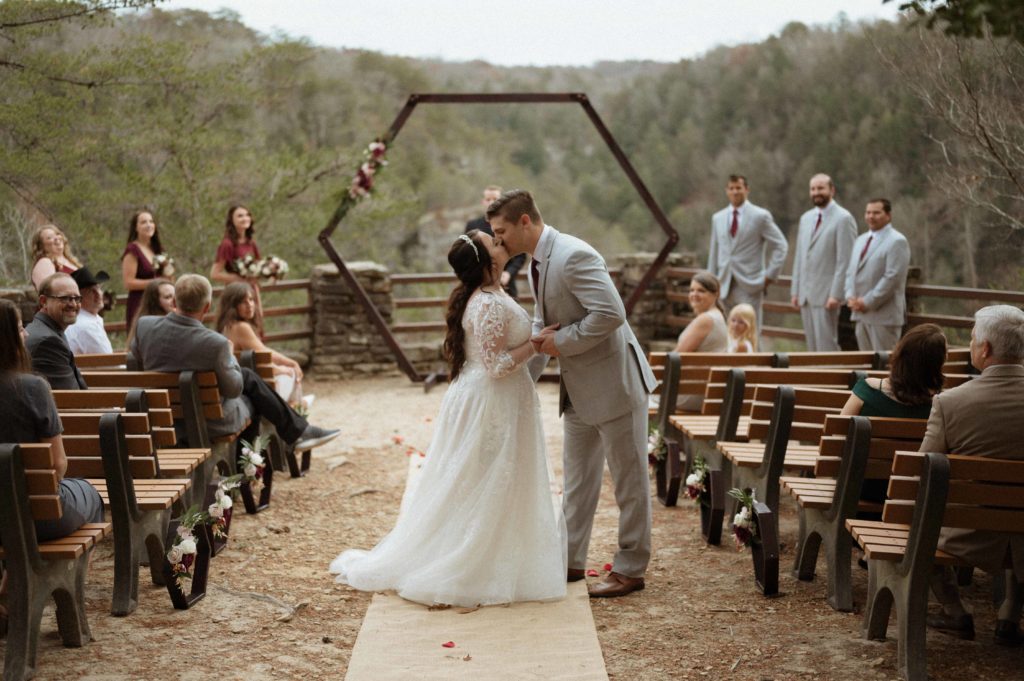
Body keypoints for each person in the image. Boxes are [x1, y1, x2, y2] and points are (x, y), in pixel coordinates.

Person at [330, 231, 566, 607]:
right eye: (494, 241)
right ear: (487, 262)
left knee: (494, 477)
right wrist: (535, 345)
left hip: (497, 400)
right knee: (484, 478)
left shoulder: (492, 292)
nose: (500, 241)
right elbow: (495, 366)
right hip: (490, 400)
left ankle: (505, 555)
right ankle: (472, 560)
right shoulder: (486, 303)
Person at [489, 189, 657, 599]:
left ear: (525, 221)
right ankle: (568, 561)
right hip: (578, 392)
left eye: (501, 231)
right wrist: (518, 382)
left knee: (629, 482)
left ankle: (631, 568)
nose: (498, 242)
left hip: (616, 385)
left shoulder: (574, 255)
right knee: (578, 481)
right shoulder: (536, 264)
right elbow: (544, 326)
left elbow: (611, 313)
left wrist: (562, 342)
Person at [130, 274, 337, 452]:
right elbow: (233, 389)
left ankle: (297, 433)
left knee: (249, 379)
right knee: (251, 393)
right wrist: (229, 357)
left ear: (175, 302)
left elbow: (137, 362)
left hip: (160, 420)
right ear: (207, 306)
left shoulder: (144, 326)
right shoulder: (215, 343)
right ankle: (246, 473)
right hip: (208, 422)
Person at [922, 305, 1024, 647]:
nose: (970, 345)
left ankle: (955, 610)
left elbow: (924, 474)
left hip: (968, 533)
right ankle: (1009, 613)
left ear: (985, 350)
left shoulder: (950, 403)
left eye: (971, 339)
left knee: (918, 524)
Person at [0, 299, 103, 541]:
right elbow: (58, 464)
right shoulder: (32, 387)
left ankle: (12, 573)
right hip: (39, 515)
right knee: (92, 496)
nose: (26, 333)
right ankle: (73, 579)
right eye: (19, 327)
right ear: (8, 339)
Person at [840, 323, 946, 516]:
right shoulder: (940, 408)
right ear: (937, 365)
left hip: (858, 493)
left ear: (900, 354)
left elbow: (837, 436)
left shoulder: (867, 390)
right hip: (906, 501)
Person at [707, 175, 787, 339]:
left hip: (750, 284)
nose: (735, 191)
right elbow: (714, 253)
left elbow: (781, 245)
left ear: (747, 189)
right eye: (731, 188)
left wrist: (769, 276)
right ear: (726, 191)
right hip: (723, 285)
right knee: (725, 334)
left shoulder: (760, 216)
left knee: (750, 333)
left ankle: (754, 365)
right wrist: (710, 284)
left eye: (738, 187)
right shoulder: (718, 218)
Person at [789, 174, 857, 351]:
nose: (816, 192)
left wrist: (836, 294)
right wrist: (795, 290)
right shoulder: (806, 218)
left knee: (828, 345)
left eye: (821, 188)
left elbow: (846, 260)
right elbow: (800, 257)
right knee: (812, 347)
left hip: (827, 294)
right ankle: (814, 378)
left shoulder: (844, 218)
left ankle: (831, 378)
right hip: (806, 294)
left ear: (831, 190)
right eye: (813, 189)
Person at [217, 282, 304, 405]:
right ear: (232, 305)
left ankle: (297, 408)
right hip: (253, 390)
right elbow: (265, 355)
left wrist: (286, 365)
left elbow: (261, 352)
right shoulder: (241, 327)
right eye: (243, 302)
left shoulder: (227, 326)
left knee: (289, 371)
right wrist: (287, 366)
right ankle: (296, 412)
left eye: (251, 300)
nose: (250, 305)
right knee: (293, 373)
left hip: (243, 386)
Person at [844, 198, 910, 352]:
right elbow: (850, 272)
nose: (871, 216)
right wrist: (850, 297)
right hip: (860, 314)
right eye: (868, 212)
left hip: (884, 316)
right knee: (866, 364)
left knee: (886, 365)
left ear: (888, 215)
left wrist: (866, 302)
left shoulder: (897, 241)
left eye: (876, 212)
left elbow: (892, 278)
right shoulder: (860, 240)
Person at [24, 273, 87, 389]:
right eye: (65, 298)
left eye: (77, 298)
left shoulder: (46, 329)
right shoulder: (47, 343)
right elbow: (72, 400)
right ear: (43, 301)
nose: (73, 304)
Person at [464, 185, 526, 299]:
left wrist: (509, 273)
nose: (491, 203)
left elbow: (521, 255)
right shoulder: (472, 225)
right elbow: (466, 255)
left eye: (495, 199)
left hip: (506, 286)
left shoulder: (512, 225)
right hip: (478, 286)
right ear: (483, 201)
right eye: (488, 199)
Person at [211, 204, 263, 335]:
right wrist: (239, 279)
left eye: (247, 215)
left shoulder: (251, 243)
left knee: (257, 328)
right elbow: (215, 273)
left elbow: (259, 268)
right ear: (232, 221)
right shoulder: (227, 244)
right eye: (240, 216)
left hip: (252, 292)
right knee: (239, 330)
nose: (245, 218)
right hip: (236, 295)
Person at [121, 210, 170, 331]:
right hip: (140, 303)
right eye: (143, 222)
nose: (149, 225)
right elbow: (128, 282)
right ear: (136, 227)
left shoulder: (156, 249)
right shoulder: (132, 250)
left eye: (151, 221)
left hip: (159, 303)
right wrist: (156, 282)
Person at [673, 271, 729, 355]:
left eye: (701, 291)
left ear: (716, 294)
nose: (694, 294)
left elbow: (677, 355)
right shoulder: (717, 315)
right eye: (692, 290)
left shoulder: (706, 319)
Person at [65, 267, 114, 355]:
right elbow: (111, 364)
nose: (98, 294)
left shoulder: (83, 320)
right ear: (78, 298)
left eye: (98, 288)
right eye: (91, 291)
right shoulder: (88, 326)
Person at [126, 280, 176, 348]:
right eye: (167, 297)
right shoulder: (149, 328)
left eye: (176, 296)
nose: (174, 300)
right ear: (155, 302)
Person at [30, 224, 81, 291]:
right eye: (49, 237)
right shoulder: (44, 263)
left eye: (57, 234)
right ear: (41, 246)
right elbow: (48, 292)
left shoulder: (72, 262)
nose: (56, 238)